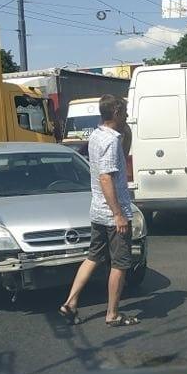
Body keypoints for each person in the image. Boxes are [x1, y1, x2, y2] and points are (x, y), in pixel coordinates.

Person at [59, 95, 140, 327]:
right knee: (120, 263)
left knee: (93, 256)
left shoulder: (97, 135)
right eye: (124, 112)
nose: (126, 115)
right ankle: (112, 314)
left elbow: (120, 159)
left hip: (97, 210)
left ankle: (70, 303)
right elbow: (106, 178)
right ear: (115, 111)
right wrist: (118, 214)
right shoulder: (109, 141)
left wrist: (127, 133)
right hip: (112, 214)